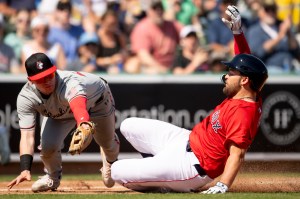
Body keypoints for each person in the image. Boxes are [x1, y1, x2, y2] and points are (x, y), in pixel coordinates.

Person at [111, 5, 268, 194]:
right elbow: (246, 60)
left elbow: (238, 154)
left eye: (231, 73)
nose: (226, 76)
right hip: (185, 140)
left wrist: (223, 184)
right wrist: (238, 33)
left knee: (116, 171)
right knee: (128, 125)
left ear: (244, 80)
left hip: (192, 166)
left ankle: (166, 184)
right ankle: (159, 168)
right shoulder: (249, 92)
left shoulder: (244, 113)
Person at [7, 52, 120, 192]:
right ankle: (52, 177)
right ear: (31, 80)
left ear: (54, 71)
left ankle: (109, 161)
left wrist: (83, 123)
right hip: (61, 112)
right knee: (47, 147)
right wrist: (25, 168)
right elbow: (27, 136)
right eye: (41, 79)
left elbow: (78, 105)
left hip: (97, 101)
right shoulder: (26, 97)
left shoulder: (69, 82)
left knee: (108, 144)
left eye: (49, 75)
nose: (47, 81)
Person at [124, 0, 181, 74]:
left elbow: (188, 36)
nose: (158, 11)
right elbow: (144, 56)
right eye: (154, 8)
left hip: (173, 66)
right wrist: (163, 71)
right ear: (148, 11)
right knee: (133, 65)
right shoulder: (142, 28)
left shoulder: (172, 25)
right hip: (152, 68)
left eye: (160, 8)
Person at [247, 0, 300, 72]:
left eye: (273, 9)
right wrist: (280, 36)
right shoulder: (254, 30)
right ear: (260, 12)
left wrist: (289, 33)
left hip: (290, 68)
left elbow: (296, 50)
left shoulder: (281, 25)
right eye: (267, 9)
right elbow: (258, 53)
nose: (270, 13)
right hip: (269, 70)